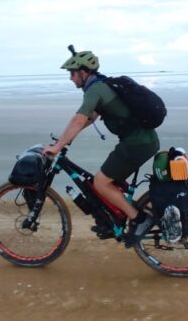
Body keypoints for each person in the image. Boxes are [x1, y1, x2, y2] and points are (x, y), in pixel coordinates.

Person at [41, 48, 160, 247]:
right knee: (109, 182)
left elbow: (79, 119)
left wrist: (58, 145)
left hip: (137, 144)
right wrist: (66, 139)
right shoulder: (101, 86)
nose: (70, 78)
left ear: (84, 72)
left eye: (72, 73)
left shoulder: (95, 90)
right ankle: (113, 220)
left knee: (101, 183)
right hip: (142, 141)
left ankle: (140, 220)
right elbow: (90, 118)